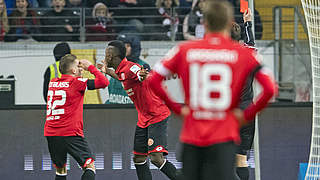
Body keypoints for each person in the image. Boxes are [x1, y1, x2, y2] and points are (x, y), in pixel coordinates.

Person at [148, 1, 277, 180]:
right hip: (224, 134)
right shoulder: (244, 54)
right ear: (227, 22)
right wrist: (247, 114)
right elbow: (271, 89)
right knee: (236, 165)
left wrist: (178, 109)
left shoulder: (184, 50)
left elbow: (153, 79)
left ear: (204, 24)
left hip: (193, 134)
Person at [100, 40, 178, 180]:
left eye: (107, 54)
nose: (105, 57)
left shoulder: (132, 68)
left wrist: (143, 76)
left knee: (156, 158)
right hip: (144, 118)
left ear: (112, 57)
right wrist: (108, 71)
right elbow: (121, 77)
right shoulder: (122, 71)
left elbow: (141, 75)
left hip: (157, 115)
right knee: (139, 158)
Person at [44, 54, 109, 180]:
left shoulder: (53, 83)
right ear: (73, 70)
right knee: (89, 166)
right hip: (70, 133)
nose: (81, 69)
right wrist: (90, 67)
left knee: (60, 170)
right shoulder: (76, 82)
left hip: (51, 133)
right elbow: (104, 82)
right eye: (79, 66)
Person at [231, 8, 258, 180]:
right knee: (241, 159)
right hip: (248, 110)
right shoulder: (248, 54)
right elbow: (250, 43)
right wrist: (247, 22)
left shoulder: (222, 57)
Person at [104, 34, 150, 104]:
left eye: (127, 46)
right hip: (113, 109)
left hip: (131, 111)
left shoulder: (142, 67)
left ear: (134, 48)